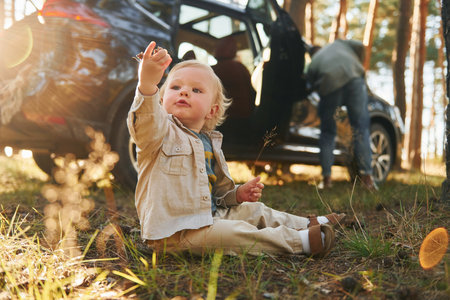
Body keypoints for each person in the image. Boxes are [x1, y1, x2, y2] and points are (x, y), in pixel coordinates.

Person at [127, 41, 345, 257]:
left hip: (211, 217)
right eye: (176, 87)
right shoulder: (159, 133)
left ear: (211, 111)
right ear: (162, 100)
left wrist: (237, 195)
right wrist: (147, 86)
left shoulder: (208, 142)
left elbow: (216, 196)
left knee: (254, 211)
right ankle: (300, 241)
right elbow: (144, 123)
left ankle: (306, 223)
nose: (184, 92)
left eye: (196, 89)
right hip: (174, 233)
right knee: (233, 233)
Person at [306, 39, 377, 191]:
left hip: (330, 85)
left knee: (327, 132)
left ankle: (326, 180)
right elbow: (360, 46)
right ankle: (368, 179)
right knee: (360, 129)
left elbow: (309, 85)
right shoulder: (338, 44)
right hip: (354, 79)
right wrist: (359, 64)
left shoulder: (313, 63)